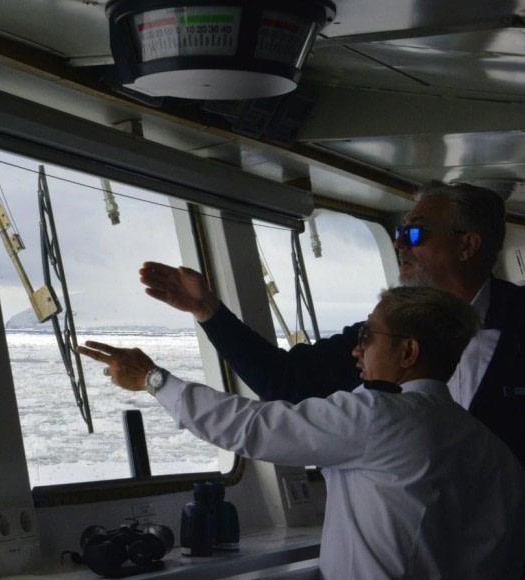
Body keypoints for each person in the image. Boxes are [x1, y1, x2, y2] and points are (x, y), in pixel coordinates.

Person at [77, 287, 525, 580]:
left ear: (408, 352)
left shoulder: (379, 415)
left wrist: (153, 380)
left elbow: (250, 427)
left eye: (367, 337)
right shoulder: (494, 451)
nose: (356, 350)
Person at [138, 181, 525, 469]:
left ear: (468, 245)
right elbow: (286, 381)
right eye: (397, 233)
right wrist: (209, 311)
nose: (400, 244)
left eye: (414, 232)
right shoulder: (379, 341)